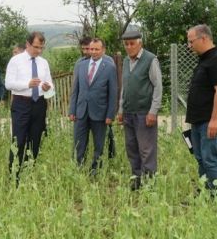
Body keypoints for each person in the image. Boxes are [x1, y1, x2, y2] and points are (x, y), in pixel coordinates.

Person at [186, 24, 217, 208]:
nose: (189, 46)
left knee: (210, 159)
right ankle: (205, 196)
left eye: (191, 41)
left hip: (210, 121)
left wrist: (215, 120)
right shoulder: (204, 60)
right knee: (201, 159)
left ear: (203, 38)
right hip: (198, 121)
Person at [117, 30, 163, 191]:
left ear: (140, 43)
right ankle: (136, 180)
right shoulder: (126, 61)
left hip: (144, 113)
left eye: (132, 44)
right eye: (126, 44)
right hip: (129, 112)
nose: (129, 47)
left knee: (146, 150)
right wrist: (121, 110)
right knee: (132, 148)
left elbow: (158, 87)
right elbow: (125, 87)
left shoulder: (150, 60)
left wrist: (153, 111)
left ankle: (149, 185)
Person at [5, 31, 54, 179]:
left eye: (41, 48)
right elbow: (8, 84)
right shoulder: (16, 61)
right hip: (21, 103)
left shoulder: (43, 62)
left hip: (39, 103)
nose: (39, 51)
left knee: (35, 140)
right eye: (36, 47)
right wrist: (27, 84)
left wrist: (47, 87)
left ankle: (29, 172)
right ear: (27, 44)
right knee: (18, 140)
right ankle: (14, 175)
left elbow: (50, 83)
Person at [69, 38, 117, 175]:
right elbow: (75, 90)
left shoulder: (109, 67)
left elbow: (113, 93)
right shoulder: (80, 66)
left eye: (97, 49)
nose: (93, 52)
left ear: (103, 50)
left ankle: (95, 171)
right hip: (81, 112)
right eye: (91, 49)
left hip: (100, 113)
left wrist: (110, 114)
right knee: (79, 144)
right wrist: (72, 110)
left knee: (99, 145)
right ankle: (78, 168)